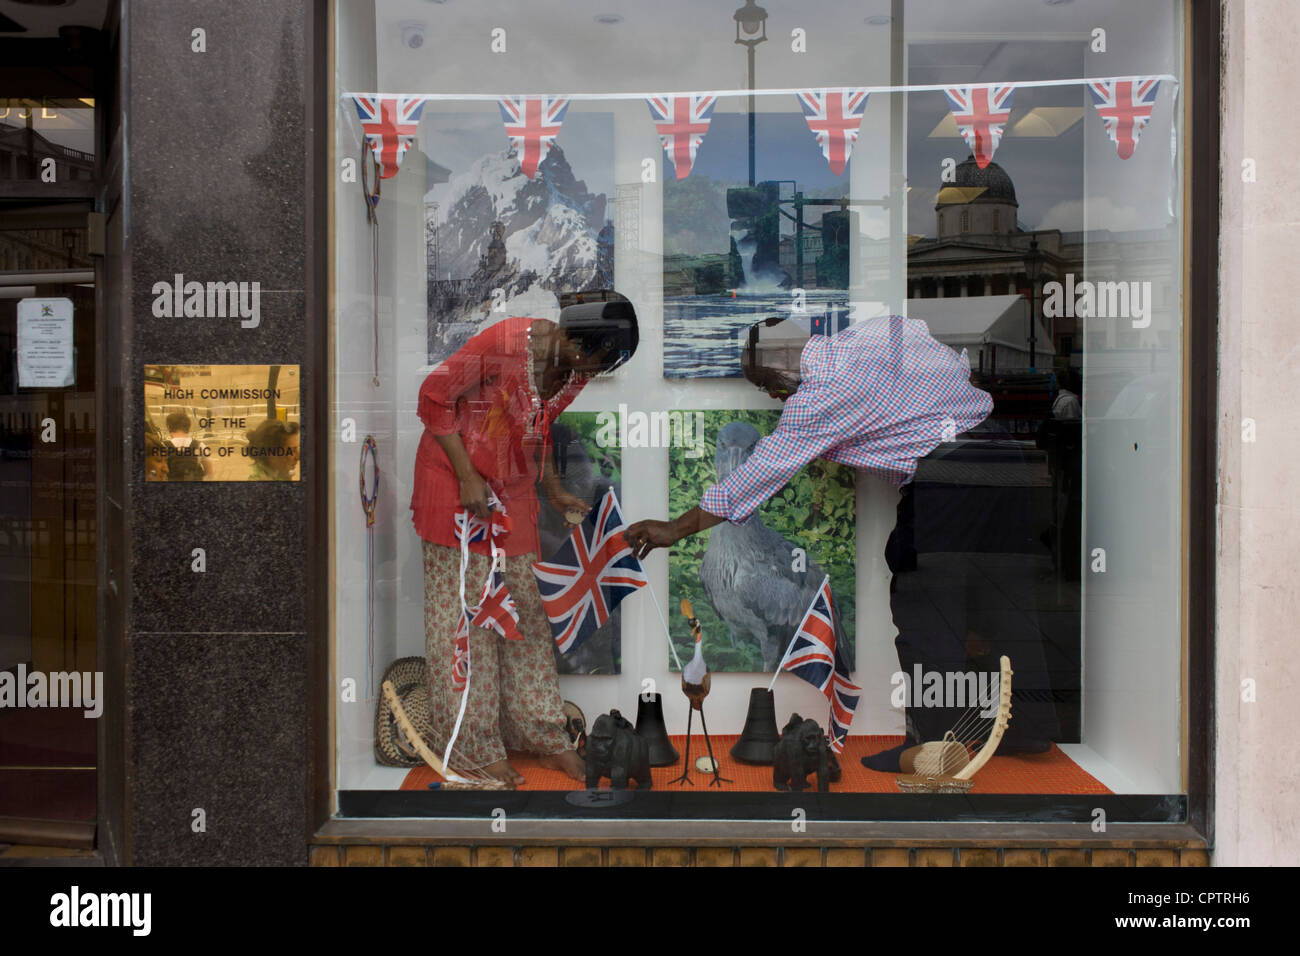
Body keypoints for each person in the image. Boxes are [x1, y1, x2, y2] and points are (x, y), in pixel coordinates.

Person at [626, 314, 1056, 769]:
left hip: (950, 478)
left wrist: (674, 529)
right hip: (1002, 455)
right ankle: (1026, 729)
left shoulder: (819, 400)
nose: (772, 395)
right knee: (1008, 602)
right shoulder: (880, 332)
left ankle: (933, 749)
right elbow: (947, 366)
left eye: (767, 382)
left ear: (785, 359)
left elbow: (757, 475)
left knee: (926, 607)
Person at [412, 300, 637, 788]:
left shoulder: (570, 373)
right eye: (598, 364)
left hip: (511, 489)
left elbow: (538, 426)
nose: (593, 377)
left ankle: (542, 736)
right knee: (467, 618)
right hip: (454, 486)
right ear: (578, 343)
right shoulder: (506, 344)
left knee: (528, 615)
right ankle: (473, 747)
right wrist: (468, 475)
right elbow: (433, 398)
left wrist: (552, 488)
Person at [165, 411, 213, 481]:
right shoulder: (200, 446)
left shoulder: (162, 446)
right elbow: (209, 472)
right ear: (188, 427)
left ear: (169, 427)